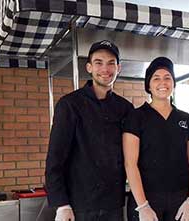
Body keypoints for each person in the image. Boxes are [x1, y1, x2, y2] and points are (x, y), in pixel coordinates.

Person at [45, 40, 133, 221]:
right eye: (99, 63)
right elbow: (55, 158)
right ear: (89, 67)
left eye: (111, 63)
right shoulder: (70, 104)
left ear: (119, 68)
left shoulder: (125, 108)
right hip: (80, 205)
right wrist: (61, 204)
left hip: (114, 204)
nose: (105, 69)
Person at [123, 57, 189, 221]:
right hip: (147, 199)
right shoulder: (136, 117)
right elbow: (130, 164)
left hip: (181, 202)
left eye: (167, 78)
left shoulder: (186, 119)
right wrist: (143, 206)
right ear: (148, 85)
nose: (162, 82)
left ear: (173, 83)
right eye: (156, 78)